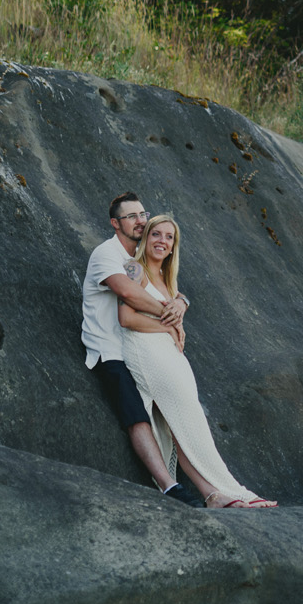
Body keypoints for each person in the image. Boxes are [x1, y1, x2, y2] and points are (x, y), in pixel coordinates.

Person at [119, 214, 277, 509]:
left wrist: (182, 302)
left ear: (172, 247)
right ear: (146, 237)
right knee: (189, 420)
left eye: (169, 237)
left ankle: (213, 495)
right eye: (156, 234)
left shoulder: (169, 280)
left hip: (169, 353)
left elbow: (177, 297)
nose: (162, 241)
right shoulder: (133, 268)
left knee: (181, 426)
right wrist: (168, 327)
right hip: (145, 351)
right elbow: (126, 318)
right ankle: (235, 490)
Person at [82, 192, 202, 507]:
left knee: (177, 407)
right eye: (132, 216)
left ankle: (208, 484)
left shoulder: (140, 254)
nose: (141, 221)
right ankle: (168, 486)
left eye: (142, 214)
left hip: (140, 345)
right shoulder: (105, 254)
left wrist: (181, 302)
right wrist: (170, 316)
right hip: (110, 349)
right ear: (115, 223)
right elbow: (128, 293)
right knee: (136, 413)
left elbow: (166, 282)